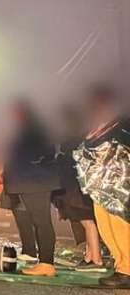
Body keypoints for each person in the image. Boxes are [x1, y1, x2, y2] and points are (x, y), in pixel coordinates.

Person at [75, 85, 130, 288]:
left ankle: (127, 269)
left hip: (118, 186)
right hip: (99, 186)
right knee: (105, 226)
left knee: (119, 224)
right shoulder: (96, 125)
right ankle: (120, 264)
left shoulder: (121, 122)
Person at [3, 99, 60, 277]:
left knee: (42, 222)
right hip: (27, 181)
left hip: (35, 182)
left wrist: (30, 162)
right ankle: (42, 260)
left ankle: (47, 263)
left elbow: (47, 152)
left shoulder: (35, 129)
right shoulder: (22, 129)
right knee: (37, 221)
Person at [54, 105, 105, 272]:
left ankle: (96, 259)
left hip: (76, 188)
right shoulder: (81, 135)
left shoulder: (74, 138)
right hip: (77, 186)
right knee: (86, 221)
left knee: (87, 221)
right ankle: (90, 256)